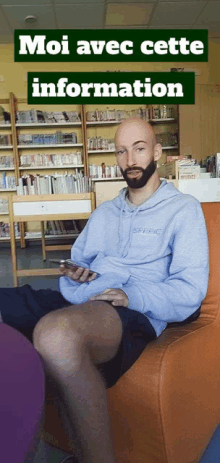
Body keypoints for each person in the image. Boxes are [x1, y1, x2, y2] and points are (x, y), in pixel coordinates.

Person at [0, 118, 209, 463]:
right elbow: (77, 266)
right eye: (121, 152)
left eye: (139, 149)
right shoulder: (104, 213)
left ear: (157, 151)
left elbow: (189, 290)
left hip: (132, 308)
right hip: (84, 298)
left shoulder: (183, 210)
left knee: (55, 336)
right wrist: (76, 276)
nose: (130, 160)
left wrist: (132, 296)